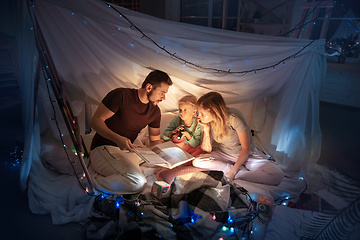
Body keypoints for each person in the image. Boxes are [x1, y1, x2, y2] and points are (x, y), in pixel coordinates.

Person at [89, 69, 172, 194]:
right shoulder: (121, 95)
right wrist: (117, 138)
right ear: (149, 87)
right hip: (104, 147)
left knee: (163, 168)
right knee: (138, 182)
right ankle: (90, 183)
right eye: (162, 92)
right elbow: (95, 121)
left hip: (129, 150)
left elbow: (155, 140)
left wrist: (165, 157)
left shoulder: (155, 111)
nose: (164, 98)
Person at [193, 92, 284, 185]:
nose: (199, 117)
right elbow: (207, 150)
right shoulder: (208, 121)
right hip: (224, 154)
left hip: (246, 155)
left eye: (202, 114)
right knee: (197, 162)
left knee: (277, 176)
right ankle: (231, 169)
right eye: (198, 113)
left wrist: (233, 172)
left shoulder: (234, 118)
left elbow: (246, 148)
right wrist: (206, 129)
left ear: (215, 111)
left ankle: (238, 173)